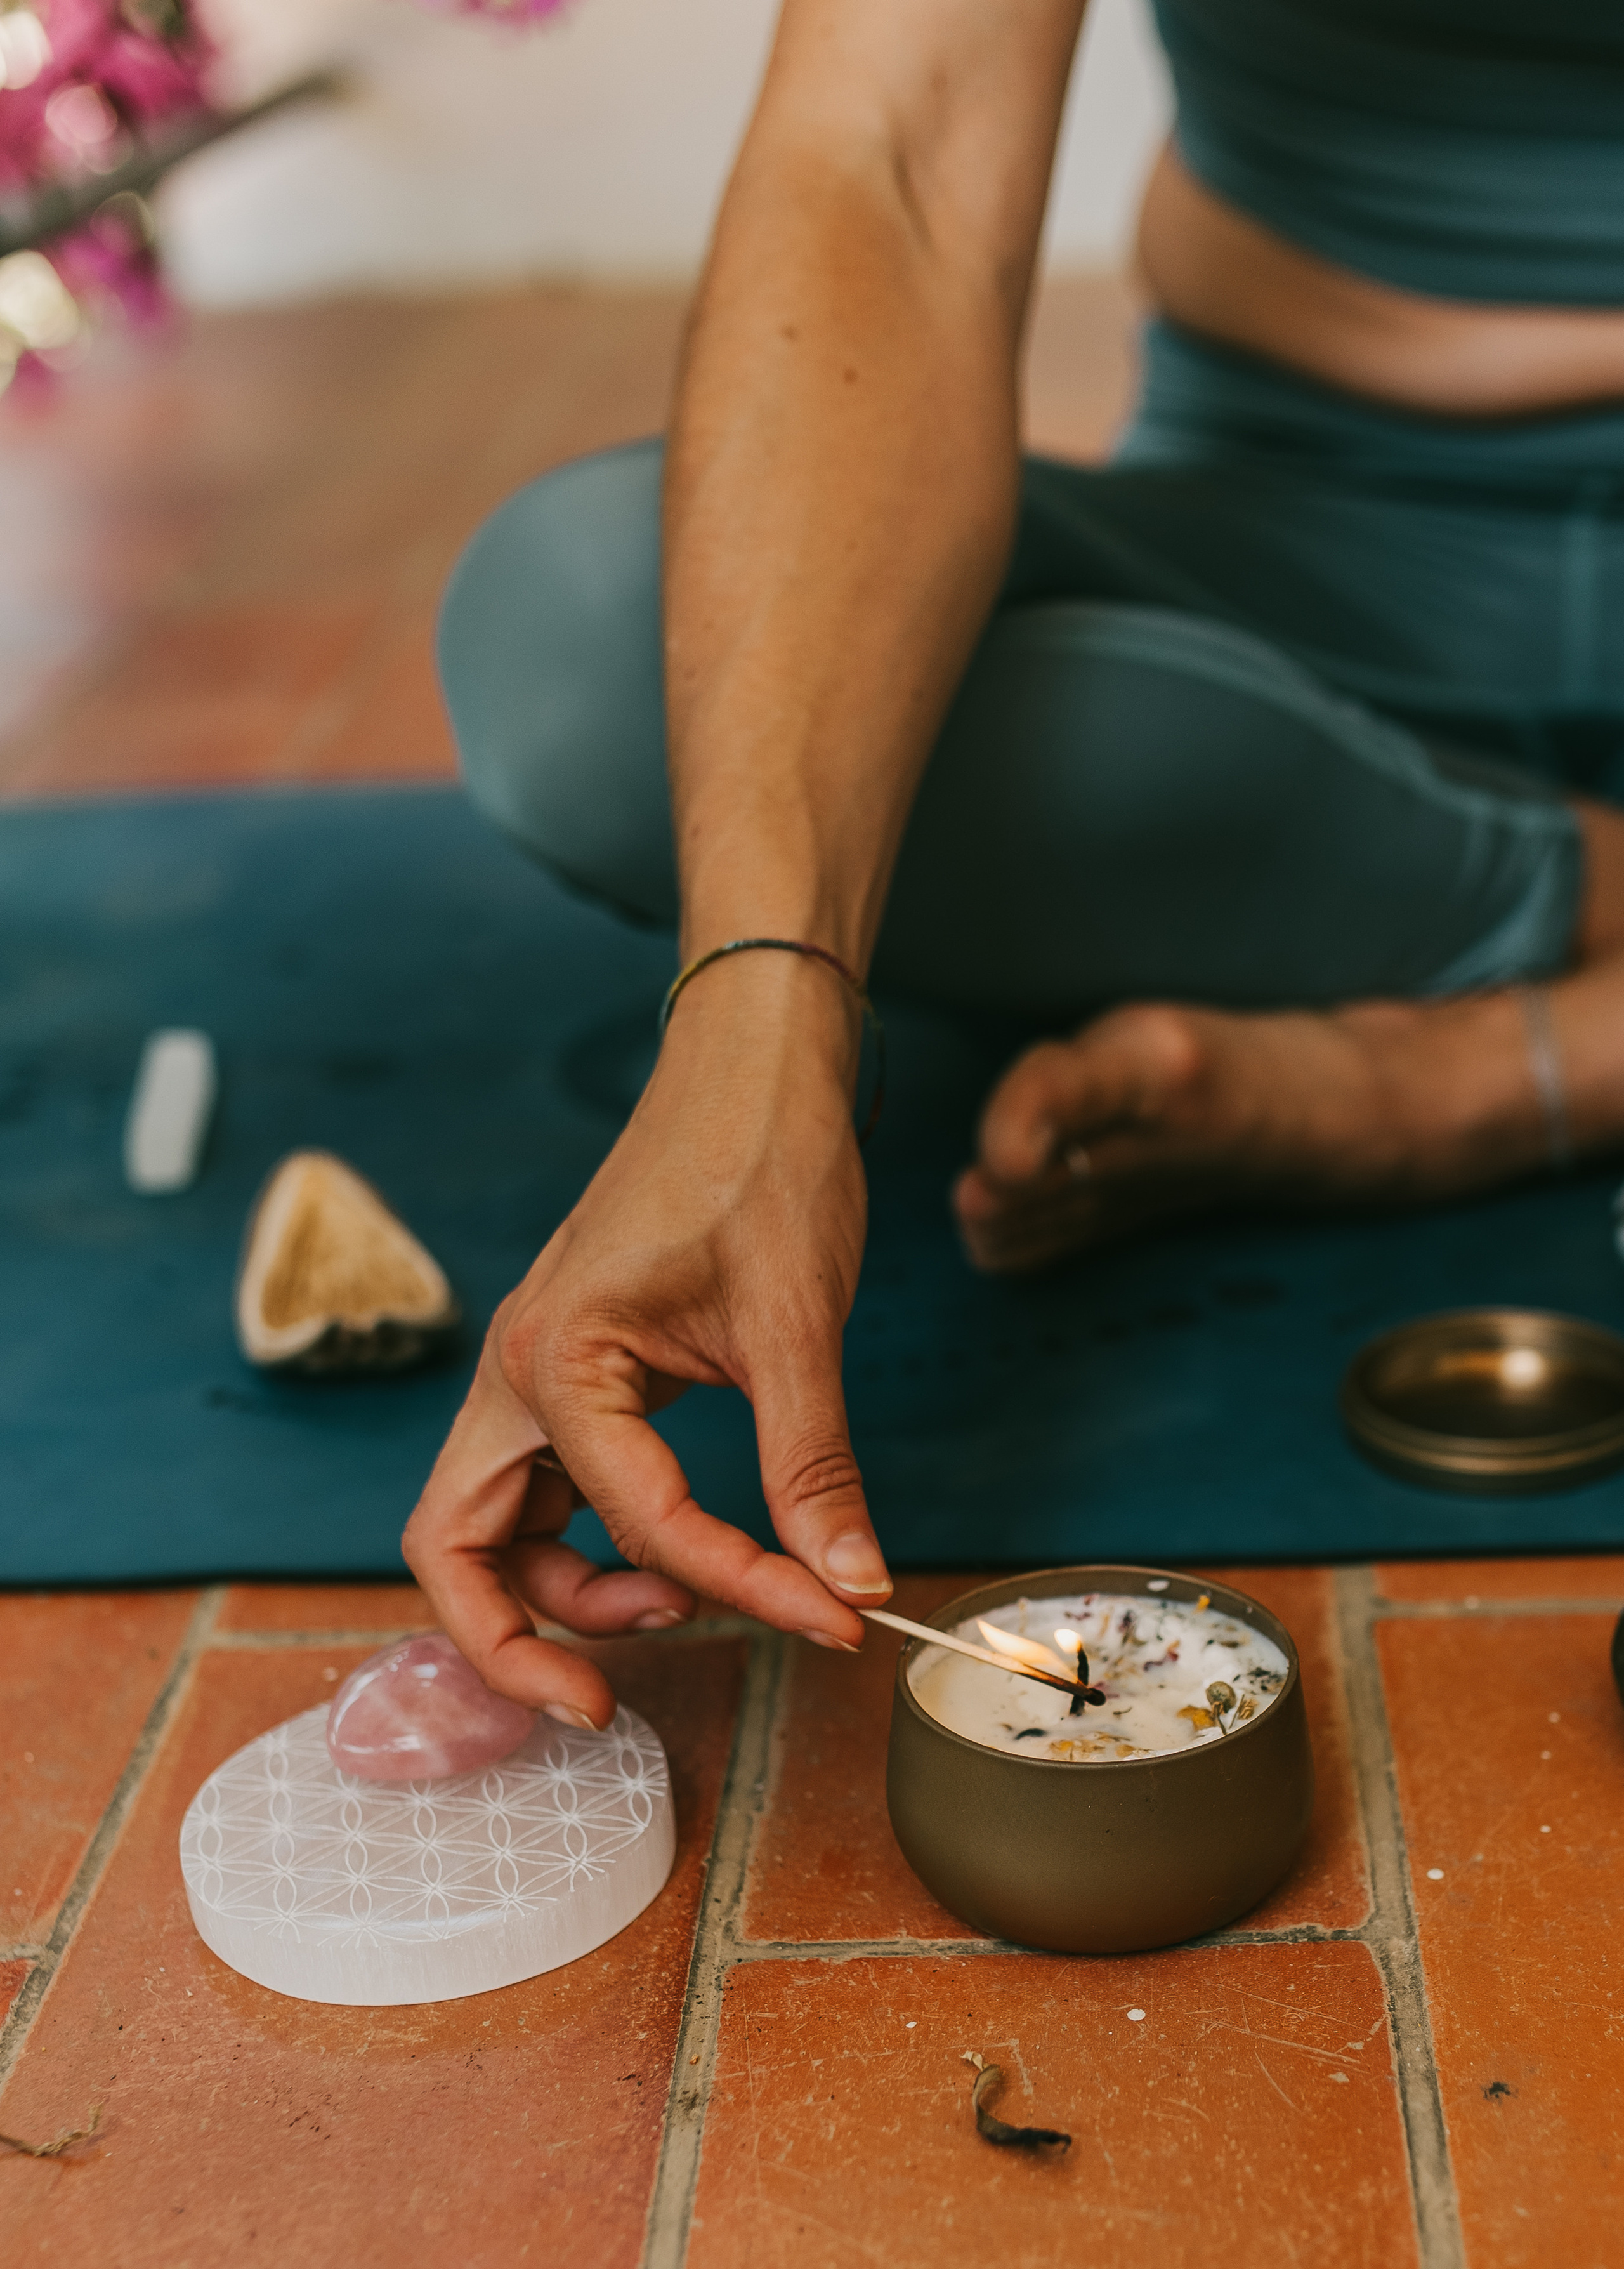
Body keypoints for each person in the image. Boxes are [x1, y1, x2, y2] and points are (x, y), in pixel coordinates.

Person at [403, 0, 1624, 1721]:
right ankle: (1576, 889)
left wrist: (1479, 1083)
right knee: (586, 644)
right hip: (1305, 537)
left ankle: (1490, 1053)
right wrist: (762, 1008)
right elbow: (887, 157)